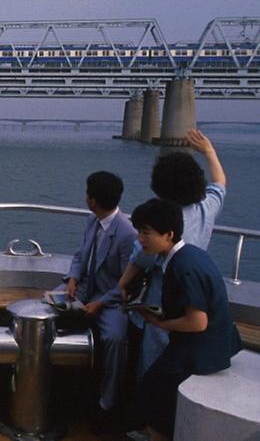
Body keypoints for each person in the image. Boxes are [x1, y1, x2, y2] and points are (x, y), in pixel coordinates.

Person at [129, 198, 241, 441]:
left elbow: (198, 322)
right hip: (206, 341)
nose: (140, 239)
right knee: (151, 389)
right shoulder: (187, 255)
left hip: (204, 349)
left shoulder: (184, 266)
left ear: (168, 234)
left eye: (146, 233)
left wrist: (159, 323)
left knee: (151, 391)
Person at [118, 129, 227, 378]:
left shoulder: (159, 223)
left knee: (152, 364)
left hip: (161, 301)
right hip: (192, 298)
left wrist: (123, 283)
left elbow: (141, 258)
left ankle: (144, 408)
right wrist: (209, 152)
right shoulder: (204, 210)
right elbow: (220, 184)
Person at [64, 171, 137, 427]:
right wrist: (72, 279)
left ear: (92, 200)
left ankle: (107, 403)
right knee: (47, 310)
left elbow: (127, 282)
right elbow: (80, 255)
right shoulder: (92, 222)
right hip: (85, 287)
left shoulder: (127, 233)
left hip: (110, 298)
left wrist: (100, 303)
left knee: (114, 339)